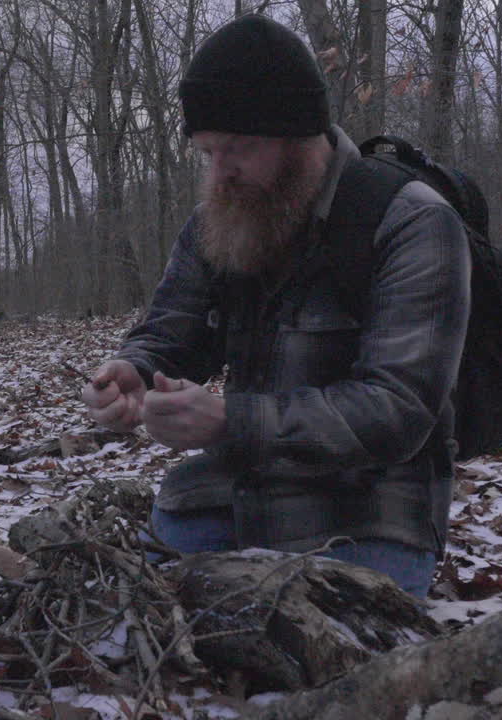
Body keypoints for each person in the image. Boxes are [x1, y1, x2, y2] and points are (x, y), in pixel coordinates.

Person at [79, 14, 470, 599]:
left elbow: (400, 408)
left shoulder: (411, 221)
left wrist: (229, 421)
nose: (220, 172)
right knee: (129, 618)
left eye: (238, 149)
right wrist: (134, 370)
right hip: (228, 498)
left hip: (368, 516)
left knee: (288, 636)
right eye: (208, 152)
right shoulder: (225, 213)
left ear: (299, 137)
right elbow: (174, 327)